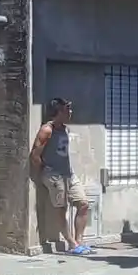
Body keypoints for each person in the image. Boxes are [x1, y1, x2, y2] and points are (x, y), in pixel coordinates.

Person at [31, 97, 93, 256]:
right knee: (61, 208)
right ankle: (71, 244)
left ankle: (79, 240)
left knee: (84, 204)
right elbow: (35, 155)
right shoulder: (47, 130)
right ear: (58, 112)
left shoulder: (65, 129)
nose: (70, 112)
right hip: (54, 175)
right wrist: (44, 172)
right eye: (67, 110)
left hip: (68, 174)